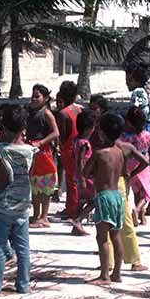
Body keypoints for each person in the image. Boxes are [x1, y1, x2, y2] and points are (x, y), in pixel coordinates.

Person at [84, 113, 147, 285]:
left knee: (102, 237)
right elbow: (128, 169)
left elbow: (85, 172)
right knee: (116, 235)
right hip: (118, 196)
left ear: (102, 132)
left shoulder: (99, 153)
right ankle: (117, 273)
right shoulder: (121, 151)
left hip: (104, 196)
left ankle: (104, 275)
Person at [0, 104, 36, 294]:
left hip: (2, 205)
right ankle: (23, 285)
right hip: (23, 205)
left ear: (4, 128)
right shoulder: (31, 151)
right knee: (23, 248)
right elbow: (29, 176)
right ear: (24, 128)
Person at [126, 63, 150, 212]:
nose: (127, 83)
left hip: (141, 136)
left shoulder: (137, 92)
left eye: (129, 80)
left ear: (137, 80)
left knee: (139, 173)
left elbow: (136, 112)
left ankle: (139, 208)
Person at [26, 84, 60, 228]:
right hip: (32, 152)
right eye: (33, 96)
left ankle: (44, 217)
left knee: (45, 185)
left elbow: (56, 133)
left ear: (45, 98)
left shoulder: (47, 113)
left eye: (37, 96)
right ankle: (36, 215)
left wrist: (41, 142)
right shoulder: (30, 112)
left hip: (44, 153)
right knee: (34, 184)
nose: (33, 99)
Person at [120, 106, 150, 226]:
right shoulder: (147, 135)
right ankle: (138, 209)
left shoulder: (124, 137)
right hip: (142, 167)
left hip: (129, 167)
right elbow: (149, 150)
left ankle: (141, 217)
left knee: (136, 192)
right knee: (146, 194)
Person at [54, 81, 83, 219]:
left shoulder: (63, 113)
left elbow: (63, 134)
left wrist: (60, 144)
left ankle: (72, 210)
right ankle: (71, 207)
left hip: (69, 148)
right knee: (76, 180)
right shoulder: (80, 109)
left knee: (71, 181)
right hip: (80, 146)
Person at [70, 110, 98, 236]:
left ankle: (76, 226)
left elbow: (74, 157)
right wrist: (82, 178)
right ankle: (78, 220)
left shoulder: (76, 140)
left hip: (77, 175)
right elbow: (80, 161)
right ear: (88, 129)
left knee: (81, 201)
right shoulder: (84, 143)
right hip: (85, 176)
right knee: (94, 200)